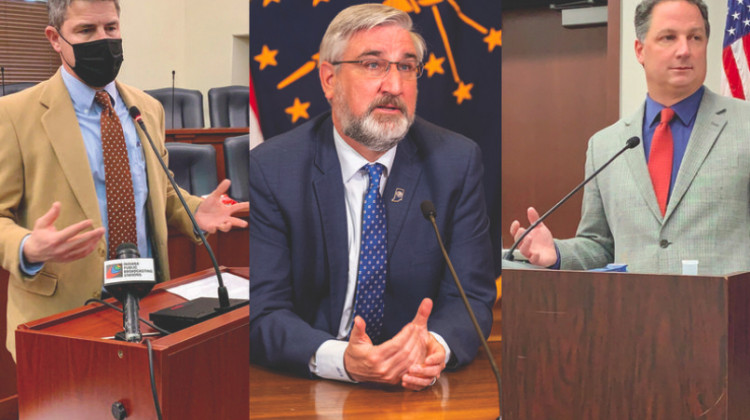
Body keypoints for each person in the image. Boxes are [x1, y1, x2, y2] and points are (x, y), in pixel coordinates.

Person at [248, 4, 495, 391]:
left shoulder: (456, 162)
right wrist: (341, 358)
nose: (394, 86)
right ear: (329, 79)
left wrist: (434, 347)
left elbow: (472, 298)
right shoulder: (274, 167)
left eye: (407, 67)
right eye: (373, 65)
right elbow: (262, 311)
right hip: (310, 385)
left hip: (421, 386)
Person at [0, 0, 248, 360]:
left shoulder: (147, 108)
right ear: (55, 38)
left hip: (148, 304)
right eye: (86, 30)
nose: (103, 39)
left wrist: (195, 209)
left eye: (111, 28)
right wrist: (27, 247)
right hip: (60, 316)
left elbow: (157, 192)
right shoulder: (13, 115)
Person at [510, 0, 750, 276]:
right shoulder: (605, 145)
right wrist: (557, 253)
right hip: (634, 314)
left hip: (729, 315)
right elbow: (599, 246)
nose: (685, 50)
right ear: (640, 50)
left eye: (695, 37)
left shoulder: (744, 125)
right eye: (668, 37)